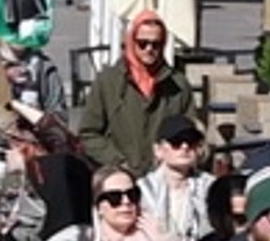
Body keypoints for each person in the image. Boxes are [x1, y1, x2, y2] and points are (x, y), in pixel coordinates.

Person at [78, 12, 197, 174]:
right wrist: (118, 162)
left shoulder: (178, 84)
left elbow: (190, 133)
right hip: (118, 176)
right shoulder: (108, 81)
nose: (149, 49)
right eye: (142, 43)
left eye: (156, 44)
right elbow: (88, 134)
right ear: (131, 42)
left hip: (164, 176)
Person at [21, 166, 191, 241]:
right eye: (114, 197)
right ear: (99, 206)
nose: (126, 202)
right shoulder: (80, 239)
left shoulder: (153, 234)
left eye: (132, 194)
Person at [138, 115, 213, 241]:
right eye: (176, 142)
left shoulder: (210, 186)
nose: (185, 147)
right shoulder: (142, 190)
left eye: (191, 141)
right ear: (158, 150)